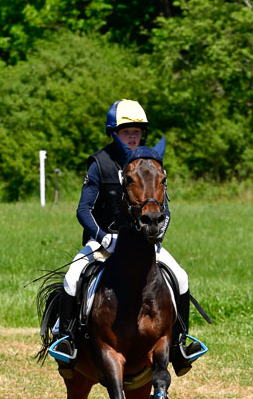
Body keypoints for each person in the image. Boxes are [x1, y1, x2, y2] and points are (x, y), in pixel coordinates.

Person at [53, 99, 203, 376]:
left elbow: (164, 209)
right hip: (103, 244)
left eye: (137, 131)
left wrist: (157, 234)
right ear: (114, 133)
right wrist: (101, 237)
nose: (133, 135)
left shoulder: (150, 164)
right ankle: (67, 340)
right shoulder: (100, 163)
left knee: (180, 277)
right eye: (126, 131)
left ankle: (180, 344)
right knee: (72, 277)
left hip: (144, 244)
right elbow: (83, 209)